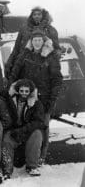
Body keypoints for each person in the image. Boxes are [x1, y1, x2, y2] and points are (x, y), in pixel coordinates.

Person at [8, 29, 63, 163]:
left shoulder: (51, 56)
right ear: (31, 42)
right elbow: (15, 71)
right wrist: (10, 88)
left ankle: (40, 157)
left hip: (43, 98)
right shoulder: (25, 54)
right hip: (25, 95)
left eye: (39, 40)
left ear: (43, 41)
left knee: (43, 127)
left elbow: (56, 80)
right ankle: (24, 155)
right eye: (34, 40)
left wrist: (52, 100)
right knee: (24, 123)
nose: (37, 43)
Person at [1, 79, 46, 177]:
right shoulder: (11, 101)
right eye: (21, 91)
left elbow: (38, 122)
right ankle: (7, 170)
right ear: (18, 91)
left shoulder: (36, 104)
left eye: (26, 91)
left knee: (37, 134)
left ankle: (32, 166)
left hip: (27, 130)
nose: (24, 94)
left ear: (30, 92)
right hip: (14, 129)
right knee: (6, 140)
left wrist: (22, 130)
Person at [5, 6, 61, 78]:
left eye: (39, 14)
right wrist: (9, 63)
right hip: (24, 63)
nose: (36, 16)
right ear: (31, 16)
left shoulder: (51, 30)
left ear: (43, 15)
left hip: (42, 66)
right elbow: (16, 49)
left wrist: (52, 65)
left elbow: (57, 50)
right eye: (34, 14)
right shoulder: (24, 29)